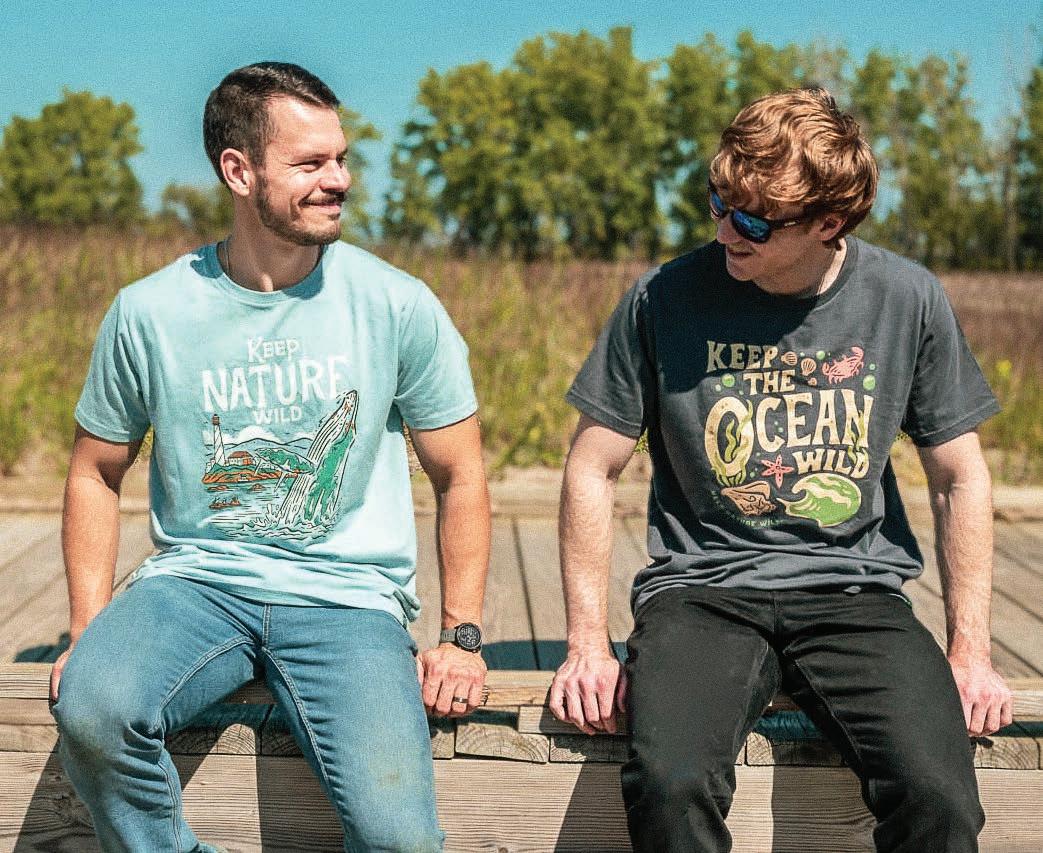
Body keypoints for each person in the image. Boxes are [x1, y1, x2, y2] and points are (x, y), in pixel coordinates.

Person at [549, 87, 1012, 852]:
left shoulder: (905, 298)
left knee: (939, 794)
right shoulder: (663, 297)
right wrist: (586, 644)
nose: (725, 230)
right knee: (669, 784)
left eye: (755, 222)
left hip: (853, 592)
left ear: (828, 222)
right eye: (717, 202)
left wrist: (970, 651)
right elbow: (590, 468)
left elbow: (958, 476)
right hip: (701, 590)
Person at [49, 62, 490, 853]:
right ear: (238, 170)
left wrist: (460, 636)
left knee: (401, 840)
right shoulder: (148, 312)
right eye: (310, 162)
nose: (339, 180)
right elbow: (94, 471)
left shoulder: (395, 304)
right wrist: (86, 627)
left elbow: (459, 474)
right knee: (91, 705)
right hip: (196, 583)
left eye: (341, 158)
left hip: (348, 600)